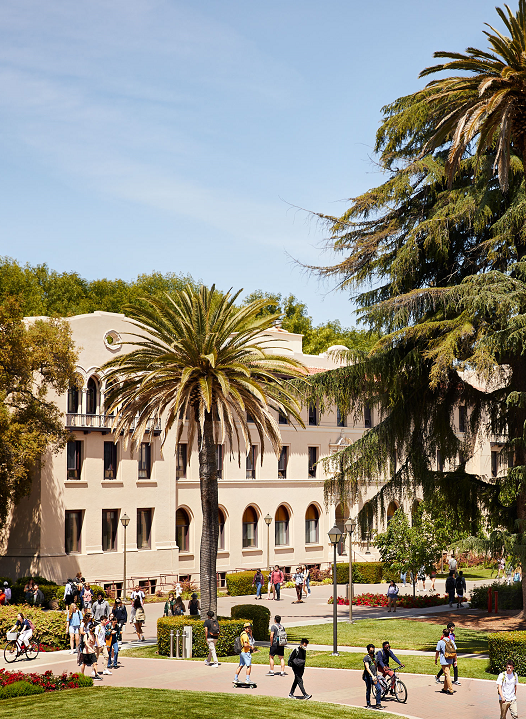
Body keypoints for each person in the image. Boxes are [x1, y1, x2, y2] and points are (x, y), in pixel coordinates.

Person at [435, 626, 457, 694]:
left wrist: (436, 659)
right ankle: (445, 688)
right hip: (450, 659)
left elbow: (437, 652)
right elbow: (455, 652)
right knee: (446, 674)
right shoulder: (452, 641)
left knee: (447, 674)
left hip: (444, 660)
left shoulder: (440, 642)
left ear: (443, 634)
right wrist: (455, 660)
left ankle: (450, 689)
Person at [362, 643, 382, 710]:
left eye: (373, 650)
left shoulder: (376, 657)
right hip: (368, 677)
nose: (372, 651)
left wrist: (376, 675)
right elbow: (367, 668)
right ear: (368, 651)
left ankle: (378, 703)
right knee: (368, 690)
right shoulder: (366, 658)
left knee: (379, 689)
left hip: (374, 677)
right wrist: (372, 676)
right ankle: (368, 703)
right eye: (371, 650)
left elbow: (376, 666)